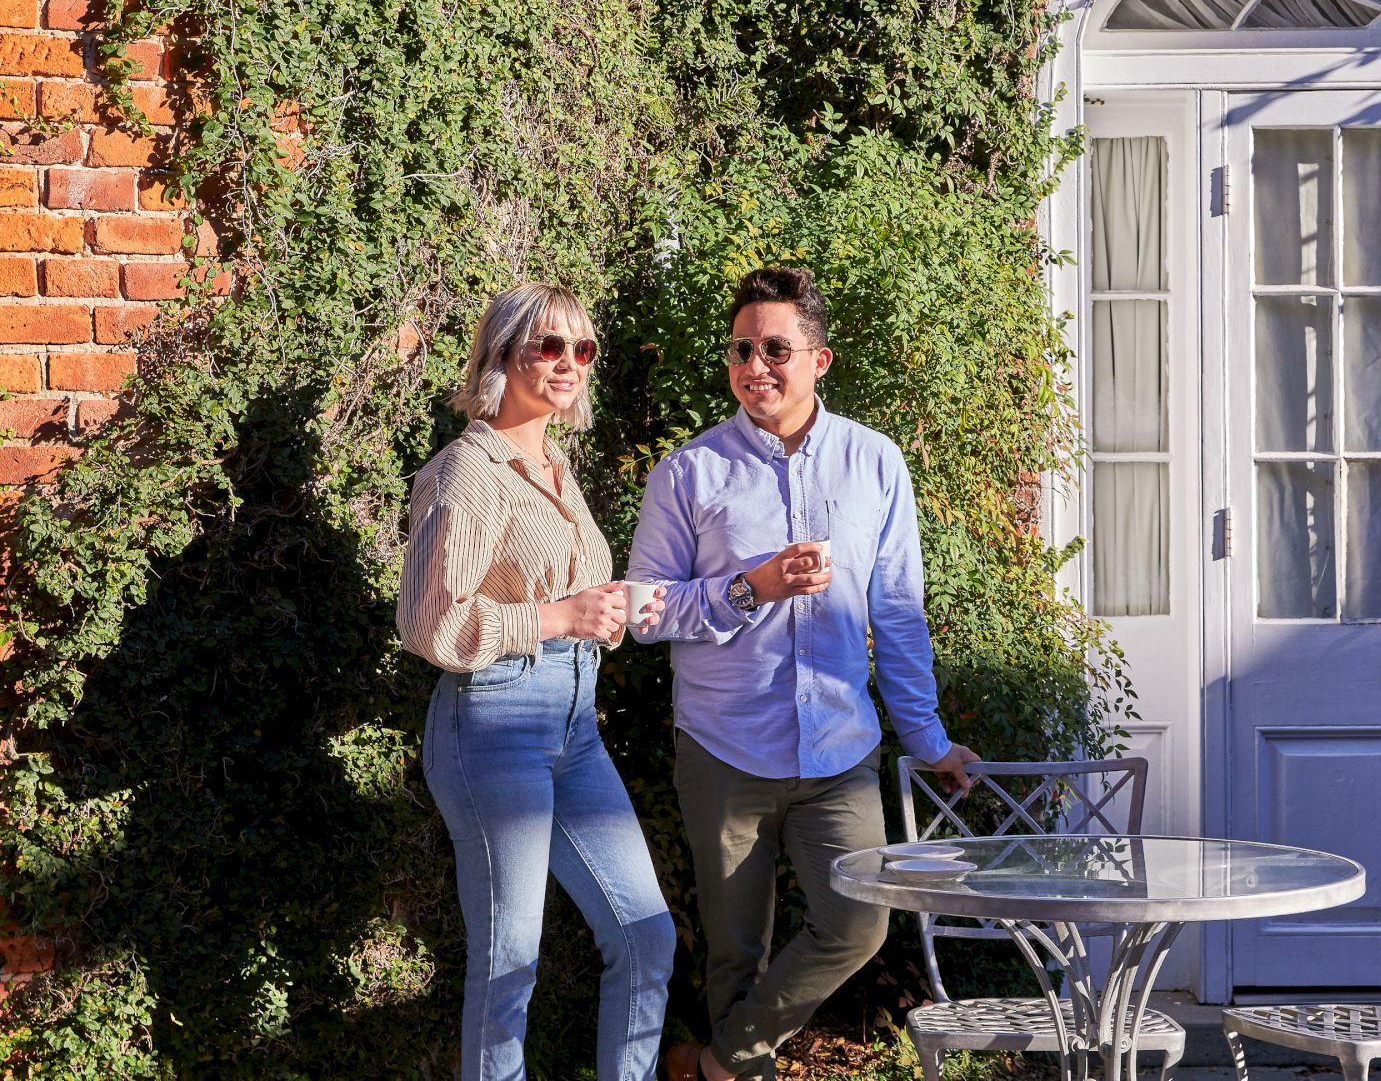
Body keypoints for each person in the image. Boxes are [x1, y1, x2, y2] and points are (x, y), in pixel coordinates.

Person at [627, 266, 980, 1081]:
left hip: (837, 754)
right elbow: (645, 609)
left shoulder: (875, 462)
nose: (756, 366)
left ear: (818, 359)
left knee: (861, 921)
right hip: (723, 747)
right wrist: (752, 586)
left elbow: (896, 613)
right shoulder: (689, 472)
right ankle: (732, 1067)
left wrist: (929, 740)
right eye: (742, 350)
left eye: (775, 348)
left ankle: (711, 1063)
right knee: (735, 955)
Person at [398, 282, 674, 1081]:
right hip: (492, 724)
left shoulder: (553, 466)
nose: (567, 362)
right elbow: (428, 624)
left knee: (645, 936)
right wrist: (558, 618)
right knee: (510, 960)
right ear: (501, 353)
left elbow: (560, 596)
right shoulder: (468, 472)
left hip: (573, 723)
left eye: (581, 349)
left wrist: (605, 613)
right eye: (547, 345)